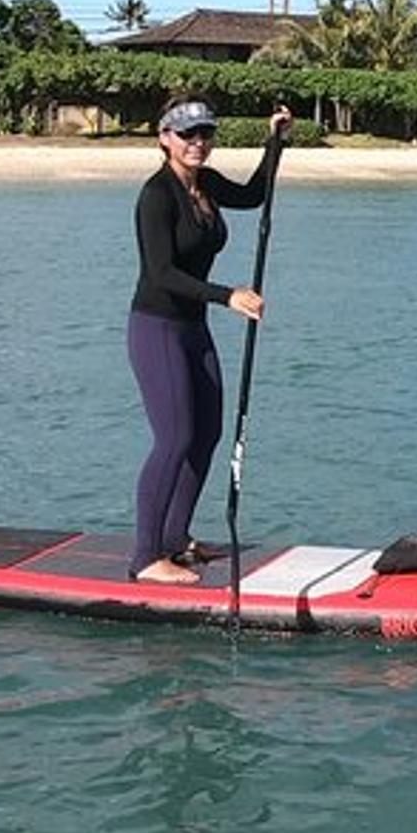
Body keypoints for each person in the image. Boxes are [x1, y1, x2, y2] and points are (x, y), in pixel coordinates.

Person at [126, 97, 292, 583]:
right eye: (186, 134)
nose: (197, 142)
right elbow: (161, 273)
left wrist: (274, 140)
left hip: (192, 328)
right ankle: (145, 558)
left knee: (207, 434)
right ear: (164, 138)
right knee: (174, 439)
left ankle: (176, 539)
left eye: (205, 134)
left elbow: (255, 194)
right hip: (156, 328)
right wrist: (228, 296)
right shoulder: (155, 196)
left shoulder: (207, 184)